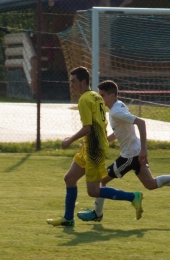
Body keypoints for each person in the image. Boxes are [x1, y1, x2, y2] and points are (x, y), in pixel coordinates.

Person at [46, 67, 143, 227]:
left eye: (74, 82)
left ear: (83, 82)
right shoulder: (96, 97)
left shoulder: (84, 99)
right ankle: (68, 218)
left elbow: (88, 128)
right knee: (69, 178)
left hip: (94, 149)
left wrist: (69, 140)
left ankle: (133, 197)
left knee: (94, 191)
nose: (71, 85)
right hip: (91, 146)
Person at [77, 80, 170, 222]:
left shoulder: (116, 112)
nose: (100, 99)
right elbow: (119, 132)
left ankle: (98, 214)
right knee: (150, 184)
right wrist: (104, 141)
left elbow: (141, 122)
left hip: (130, 156)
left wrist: (144, 149)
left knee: (101, 181)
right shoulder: (118, 106)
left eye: (102, 95)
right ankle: (98, 214)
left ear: (112, 95)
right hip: (135, 151)